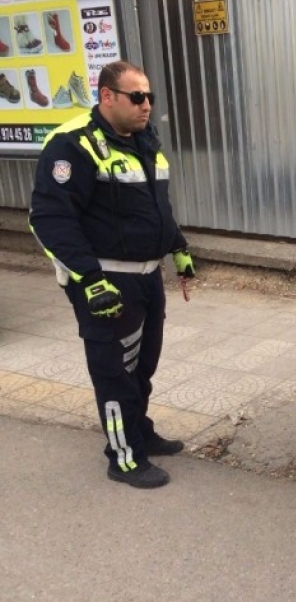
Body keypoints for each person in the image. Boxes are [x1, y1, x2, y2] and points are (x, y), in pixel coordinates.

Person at [29, 60, 195, 489]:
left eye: (149, 97)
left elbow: (156, 207)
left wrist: (178, 249)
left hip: (146, 277)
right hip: (106, 281)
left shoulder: (143, 140)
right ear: (107, 96)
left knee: (142, 365)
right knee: (114, 372)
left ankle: (139, 432)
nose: (147, 106)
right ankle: (123, 457)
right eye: (137, 96)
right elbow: (50, 220)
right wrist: (88, 279)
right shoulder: (72, 145)